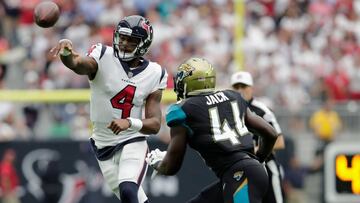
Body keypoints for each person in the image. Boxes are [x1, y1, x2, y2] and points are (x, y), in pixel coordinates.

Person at [50, 15, 168, 203]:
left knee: (128, 189)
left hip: (132, 139)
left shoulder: (155, 73)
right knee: (133, 199)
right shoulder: (102, 54)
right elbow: (79, 65)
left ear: (144, 44)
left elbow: (154, 124)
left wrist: (129, 122)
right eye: (122, 37)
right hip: (103, 144)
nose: (124, 43)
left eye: (131, 40)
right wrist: (67, 55)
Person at [146, 58, 278, 203]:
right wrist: (258, 159)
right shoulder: (232, 96)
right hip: (241, 174)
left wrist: (159, 163)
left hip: (240, 175)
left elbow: (172, 167)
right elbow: (270, 133)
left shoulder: (182, 110)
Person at [231, 71, 286, 203]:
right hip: (242, 169)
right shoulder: (228, 110)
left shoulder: (262, 110)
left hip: (265, 165)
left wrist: (254, 150)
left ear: (251, 88)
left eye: (243, 86)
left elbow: (279, 142)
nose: (240, 91)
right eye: (236, 87)